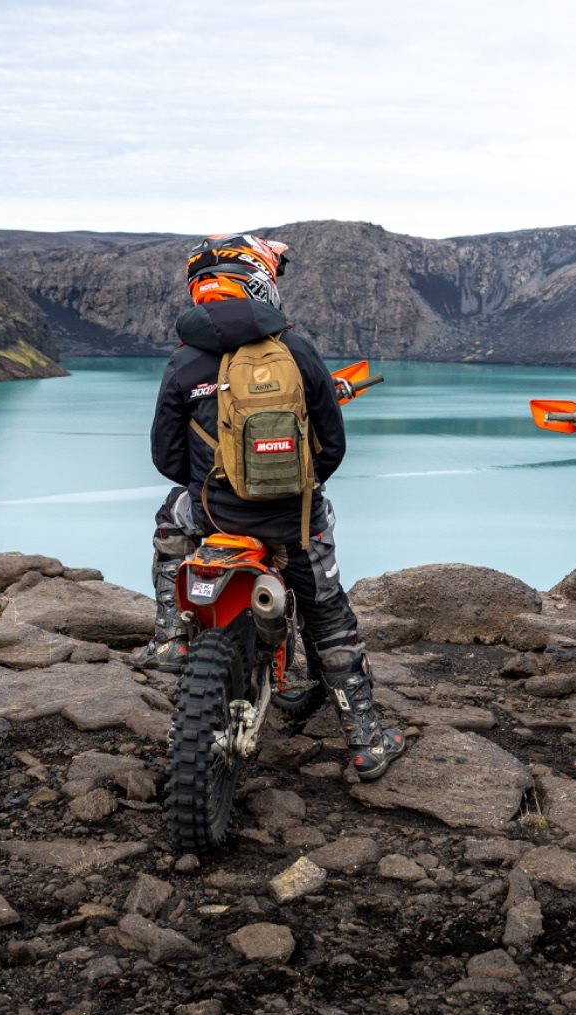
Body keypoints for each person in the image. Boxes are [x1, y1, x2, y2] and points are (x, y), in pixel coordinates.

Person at [145, 233, 406, 781]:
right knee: (331, 619)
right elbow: (331, 448)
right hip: (293, 523)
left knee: (173, 513)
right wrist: (300, 492)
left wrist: (210, 489)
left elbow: (167, 458)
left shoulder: (183, 362)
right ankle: (366, 739)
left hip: (214, 518)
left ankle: (170, 634)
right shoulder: (296, 351)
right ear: (259, 282)